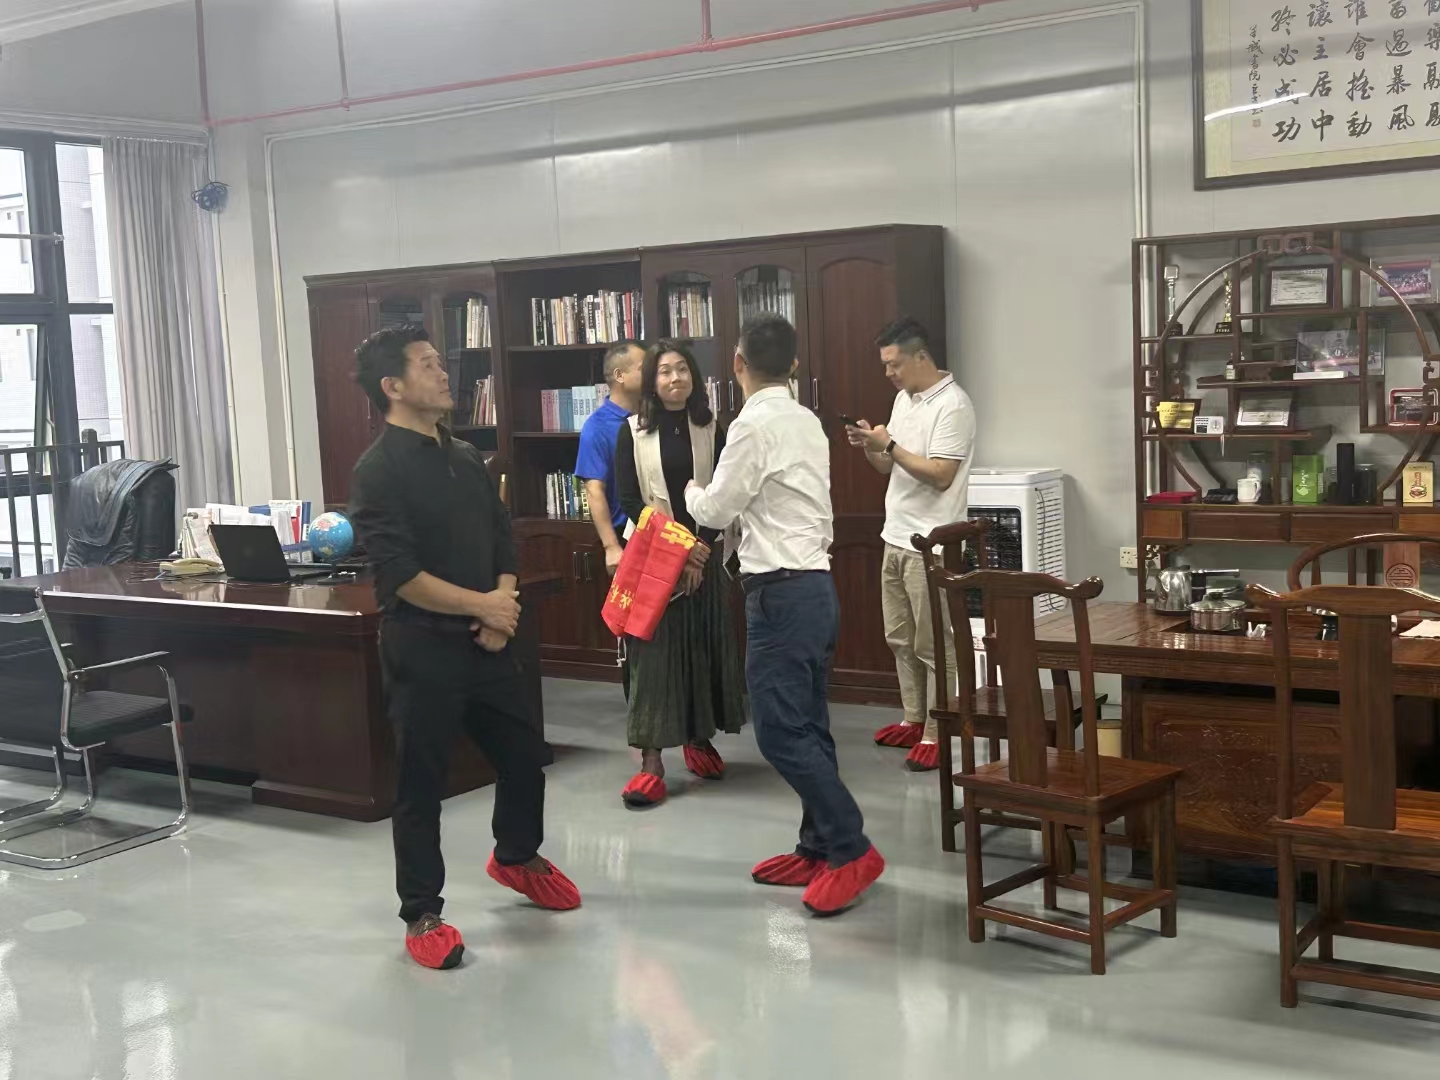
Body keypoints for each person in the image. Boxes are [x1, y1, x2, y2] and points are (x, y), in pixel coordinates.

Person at [349, 324, 581, 972]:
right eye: (427, 365)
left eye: (438, 361)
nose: (443, 372)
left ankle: (516, 855)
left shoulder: (465, 457)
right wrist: (484, 607)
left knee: (525, 758)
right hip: (422, 646)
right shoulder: (377, 471)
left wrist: (501, 607)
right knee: (421, 784)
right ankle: (422, 912)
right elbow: (401, 576)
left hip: (488, 638)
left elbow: (502, 539)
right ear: (393, 386)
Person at [686, 315, 885, 917]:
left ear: (738, 365)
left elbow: (716, 509)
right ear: (794, 365)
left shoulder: (751, 425)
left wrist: (690, 491)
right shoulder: (806, 420)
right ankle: (817, 845)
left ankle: (851, 848)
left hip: (779, 593)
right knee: (810, 724)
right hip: (816, 588)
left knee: (778, 731)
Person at [612, 340, 746, 808]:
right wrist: (680, 550)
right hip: (654, 559)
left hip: (706, 555)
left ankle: (698, 738)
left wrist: (700, 550)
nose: (675, 378)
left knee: (702, 647)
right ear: (652, 380)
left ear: (695, 378)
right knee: (653, 658)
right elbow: (630, 500)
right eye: (665, 371)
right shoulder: (632, 431)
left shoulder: (712, 427)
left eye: (683, 369)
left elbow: (724, 492)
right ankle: (651, 762)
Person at [846, 316, 976, 773]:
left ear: (921, 356)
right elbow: (889, 467)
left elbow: (941, 475)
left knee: (934, 644)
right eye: (885, 365)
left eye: (894, 364)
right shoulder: (904, 399)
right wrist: (871, 445)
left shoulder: (954, 405)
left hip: (933, 544)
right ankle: (914, 717)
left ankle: (939, 730)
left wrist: (890, 445)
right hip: (895, 535)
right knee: (900, 637)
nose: (888, 373)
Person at [577, 340, 645, 576]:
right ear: (619, 375)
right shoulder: (596, 427)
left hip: (660, 530)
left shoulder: (652, 416)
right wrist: (611, 547)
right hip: (625, 535)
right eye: (643, 367)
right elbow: (594, 490)